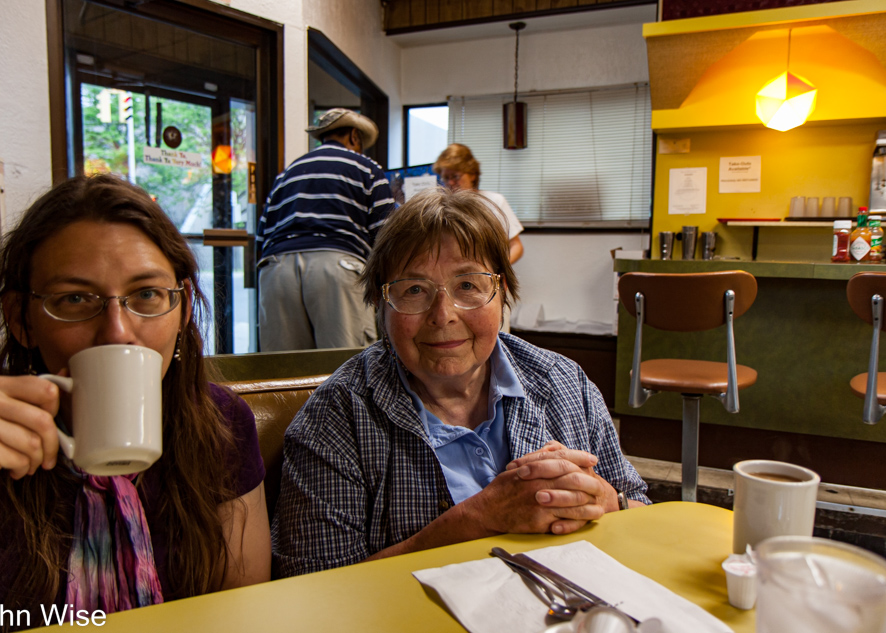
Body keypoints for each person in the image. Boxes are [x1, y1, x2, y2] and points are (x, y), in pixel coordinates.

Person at [0, 175, 270, 630]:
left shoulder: (221, 422)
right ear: (21, 319)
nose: (116, 331)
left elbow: (244, 608)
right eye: (74, 299)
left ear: (184, 309)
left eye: (147, 295)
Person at [272, 187, 648, 578]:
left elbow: (640, 511)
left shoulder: (563, 382)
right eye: (414, 290)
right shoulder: (336, 418)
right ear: (381, 306)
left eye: (468, 285)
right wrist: (477, 519)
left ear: (501, 292)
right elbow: (312, 588)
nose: (443, 314)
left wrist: (607, 500)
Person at [255, 108, 395, 352]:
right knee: (346, 367)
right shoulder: (367, 168)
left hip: (276, 270)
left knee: (282, 373)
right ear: (354, 137)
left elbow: (261, 236)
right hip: (336, 266)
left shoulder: (286, 174)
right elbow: (386, 238)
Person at [434, 143, 525, 264]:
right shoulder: (439, 207)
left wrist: (498, 272)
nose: (450, 182)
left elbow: (516, 246)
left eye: (455, 176)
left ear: (472, 174)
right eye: (445, 177)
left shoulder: (494, 201)